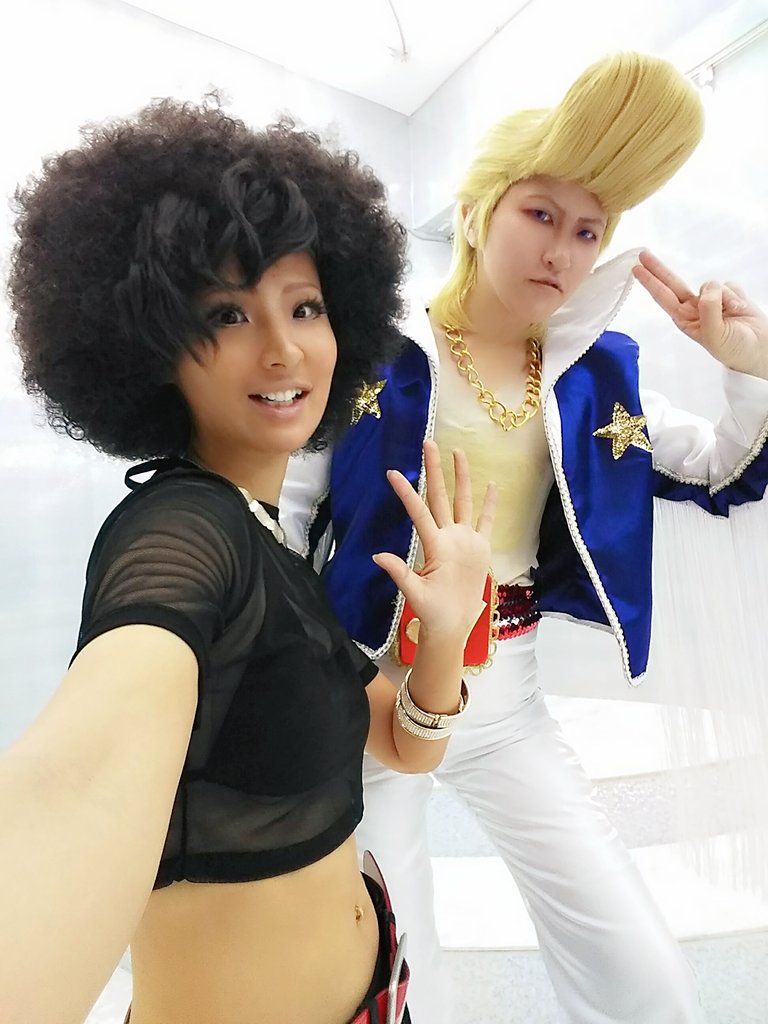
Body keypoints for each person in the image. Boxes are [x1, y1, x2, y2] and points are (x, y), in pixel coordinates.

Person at [281, 52, 768, 1023]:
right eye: (540, 214)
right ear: (476, 212)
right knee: (394, 974)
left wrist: (748, 369)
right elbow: (286, 515)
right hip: (372, 690)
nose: (563, 251)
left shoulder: (595, 373)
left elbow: (723, 470)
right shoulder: (379, 349)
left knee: (643, 973)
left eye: (588, 231)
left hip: (509, 699)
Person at [0, 98, 495, 1024]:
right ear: (152, 350)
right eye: (227, 313)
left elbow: (403, 747)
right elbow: (76, 778)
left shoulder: (269, 537)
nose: (283, 348)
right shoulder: (185, 533)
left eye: (305, 306)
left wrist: (443, 634)